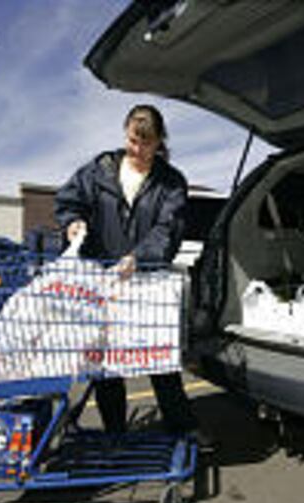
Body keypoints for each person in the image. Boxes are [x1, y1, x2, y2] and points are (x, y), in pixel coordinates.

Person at [54, 104, 199, 436]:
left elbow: (168, 229)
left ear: (159, 141)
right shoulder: (100, 170)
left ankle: (182, 427)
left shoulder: (171, 182)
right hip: (103, 279)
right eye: (133, 140)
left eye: (146, 143)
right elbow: (69, 200)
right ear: (125, 134)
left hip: (147, 281)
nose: (138, 149)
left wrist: (139, 257)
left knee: (160, 358)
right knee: (107, 363)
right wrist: (72, 222)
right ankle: (115, 432)